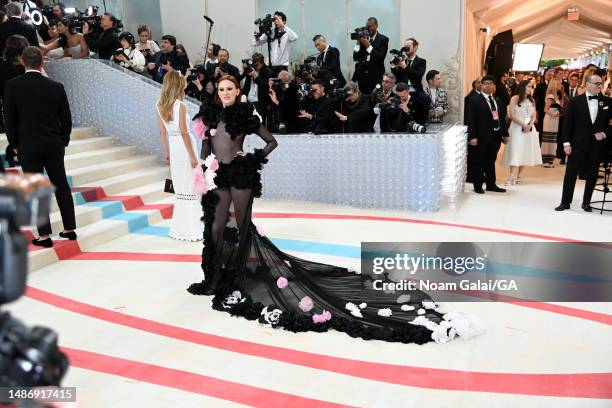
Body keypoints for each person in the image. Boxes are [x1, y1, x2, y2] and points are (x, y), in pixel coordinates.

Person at [187, 74, 473, 345]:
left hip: (241, 176)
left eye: (230, 89)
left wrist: (250, 159)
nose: (225, 93)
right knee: (214, 227)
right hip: (216, 176)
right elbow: (205, 146)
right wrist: (203, 168)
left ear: (237, 91)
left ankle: (237, 277)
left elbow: (271, 142)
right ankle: (213, 278)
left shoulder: (246, 115)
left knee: (241, 227)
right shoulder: (209, 114)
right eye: (221, 89)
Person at [3, 46, 76, 247]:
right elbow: (66, 119)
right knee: (61, 185)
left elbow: (10, 119)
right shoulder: (56, 86)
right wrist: (63, 140)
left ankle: (44, 236)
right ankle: (69, 229)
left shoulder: (12, 86)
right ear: (42, 62)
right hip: (54, 143)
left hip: (28, 145)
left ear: (22, 62)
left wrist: (15, 145)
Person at [156, 70, 203, 241]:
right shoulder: (180, 105)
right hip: (184, 147)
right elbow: (184, 132)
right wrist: (192, 156)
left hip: (174, 148)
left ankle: (180, 228)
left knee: (181, 188)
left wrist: (167, 152)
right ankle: (192, 228)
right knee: (190, 185)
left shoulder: (159, 104)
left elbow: (162, 132)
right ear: (177, 83)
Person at [555, 74, 611, 213]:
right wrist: (566, 143)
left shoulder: (607, 102)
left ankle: (586, 202)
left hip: (597, 145)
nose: (600, 85)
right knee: (571, 173)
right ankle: (565, 202)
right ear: (587, 84)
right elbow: (567, 125)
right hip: (577, 144)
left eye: (601, 83)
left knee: (592, 174)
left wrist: (604, 133)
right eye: (597, 83)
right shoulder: (575, 101)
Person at [466, 74, 508, 194]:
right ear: (481, 85)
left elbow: (501, 118)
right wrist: (472, 136)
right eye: (485, 83)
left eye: (490, 83)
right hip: (480, 137)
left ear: (494, 86)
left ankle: (491, 184)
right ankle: (477, 185)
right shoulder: (474, 100)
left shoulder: (497, 100)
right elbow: (470, 119)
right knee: (478, 161)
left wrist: (505, 134)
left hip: (495, 136)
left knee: (490, 160)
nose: (488, 86)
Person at [501, 80, 542, 185]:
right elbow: (512, 115)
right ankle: (512, 175)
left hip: (529, 129)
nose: (530, 88)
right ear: (522, 87)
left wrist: (530, 125)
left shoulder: (532, 100)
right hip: (516, 128)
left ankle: (519, 175)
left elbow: (534, 116)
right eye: (528, 86)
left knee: (525, 151)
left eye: (531, 87)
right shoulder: (514, 98)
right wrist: (523, 124)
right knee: (515, 150)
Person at [352, 17, 388, 94]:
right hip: (362, 77)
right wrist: (358, 43)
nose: (369, 29)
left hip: (376, 76)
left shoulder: (383, 39)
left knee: (375, 99)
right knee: (364, 100)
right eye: (368, 27)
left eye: (371, 26)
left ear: (376, 26)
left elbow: (380, 57)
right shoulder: (363, 39)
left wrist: (368, 46)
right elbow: (355, 58)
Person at [541, 78, 564, 167]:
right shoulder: (550, 96)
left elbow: (560, 107)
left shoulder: (557, 96)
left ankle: (550, 160)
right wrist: (554, 114)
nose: (560, 86)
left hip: (555, 119)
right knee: (547, 140)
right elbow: (545, 109)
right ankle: (545, 160)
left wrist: (562, 94)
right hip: (550, 118)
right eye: (558, 84)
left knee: (553, 140)